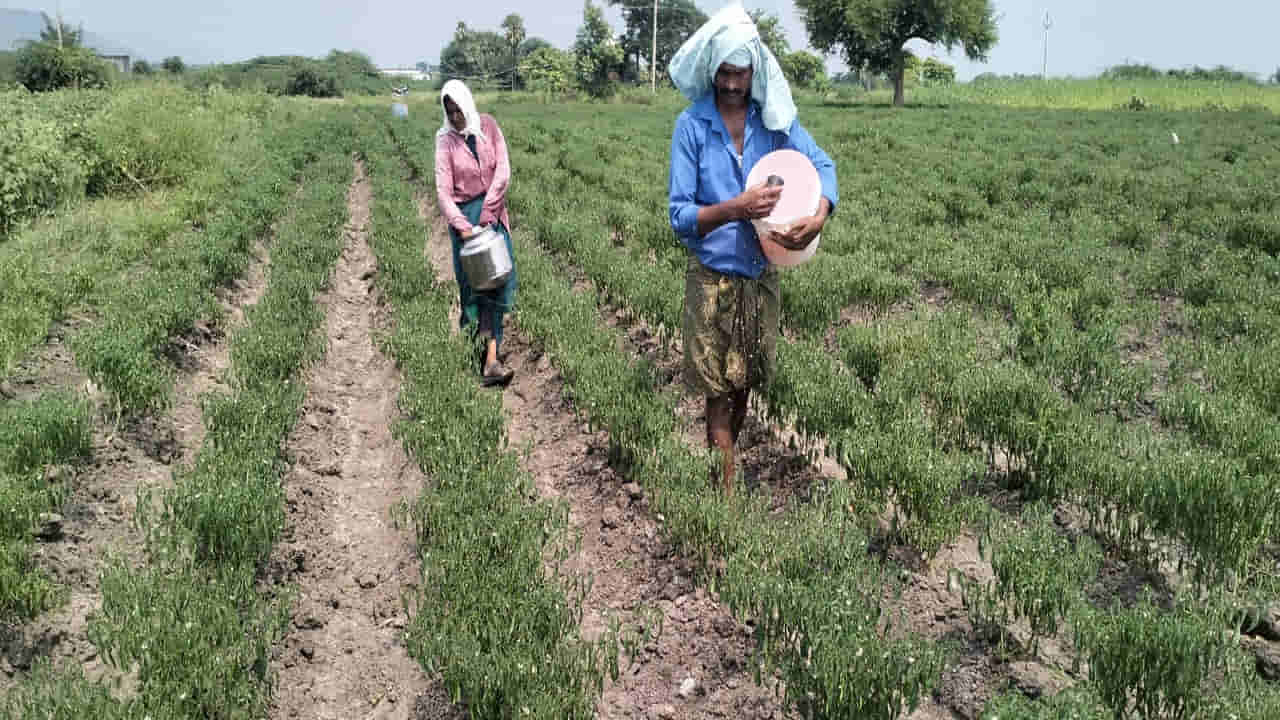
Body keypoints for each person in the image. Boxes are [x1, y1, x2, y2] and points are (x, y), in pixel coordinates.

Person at [667, 4, 838, 495]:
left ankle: (724, 463)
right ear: (712, 70)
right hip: (711, 279)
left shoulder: (774, 123)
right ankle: (722, 495)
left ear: (754, 72)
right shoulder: (693, 127)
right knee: (716, 390)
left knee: (743, 384)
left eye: (741, 73)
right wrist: (735, 208)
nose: (733, 84)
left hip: (759, 277)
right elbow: (680, 217)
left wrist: (820, 212)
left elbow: (822, 165)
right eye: (724, 72)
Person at [435, 79, 517, 386]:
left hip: (492, 215)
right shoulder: (444, 140)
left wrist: (488, 213)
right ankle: (474, 361)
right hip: (465, 222)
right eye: (450, 112)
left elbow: (503, 170)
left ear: (467, 104)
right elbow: (443, 192)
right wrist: (464, 226)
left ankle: (492, 361)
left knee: (496, 287)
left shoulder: (489, 127)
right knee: (472, 293)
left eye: (458, 110)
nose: (456, 118)